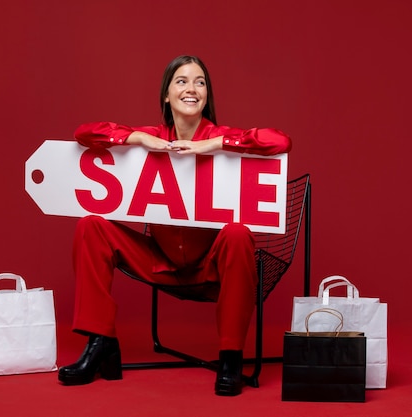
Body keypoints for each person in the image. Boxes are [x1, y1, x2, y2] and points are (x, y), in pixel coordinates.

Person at [58, 55, 292, 396]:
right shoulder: (151, 136)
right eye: (181, 81)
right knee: (90, 226)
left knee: (238, 232)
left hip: (210, 265)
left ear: (207, 95)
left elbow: (280, 141)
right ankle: (100, 343)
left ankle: (230, 356)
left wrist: (212, 145)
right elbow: (83, 133)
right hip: (159, 260)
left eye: (200, 82)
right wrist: (136, 138)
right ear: (166, 95)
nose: (191, 89)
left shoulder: (222, 137)